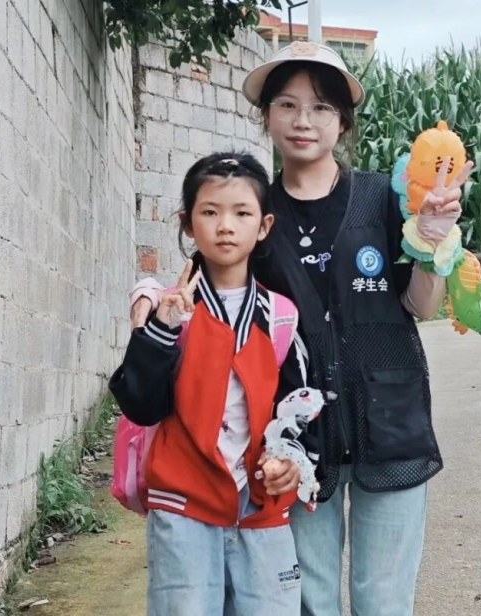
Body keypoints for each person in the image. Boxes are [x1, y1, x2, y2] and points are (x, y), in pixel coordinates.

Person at [129, 42, 474, 616]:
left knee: (384, 601)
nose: (303, 121)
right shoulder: (253, 208)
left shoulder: (381, 200)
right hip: (295, 441)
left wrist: (432, 241)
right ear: (266, 117)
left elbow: (420, 305)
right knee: (310, 601)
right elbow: (199, 286)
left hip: (390, 423)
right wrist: (146, 292)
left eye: (320, 108)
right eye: (287, 105)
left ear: (343, 121)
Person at [110, 152, 322, 616]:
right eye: (210, 212)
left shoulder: (281, 316)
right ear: (188, 224)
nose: (225, 226)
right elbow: (141, 406)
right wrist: (162, 329)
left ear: (264, 226)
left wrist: (290, 461)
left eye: (242, 213)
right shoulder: (170, 310)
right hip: (182, 504)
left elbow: (298, 407)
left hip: (261, 505)